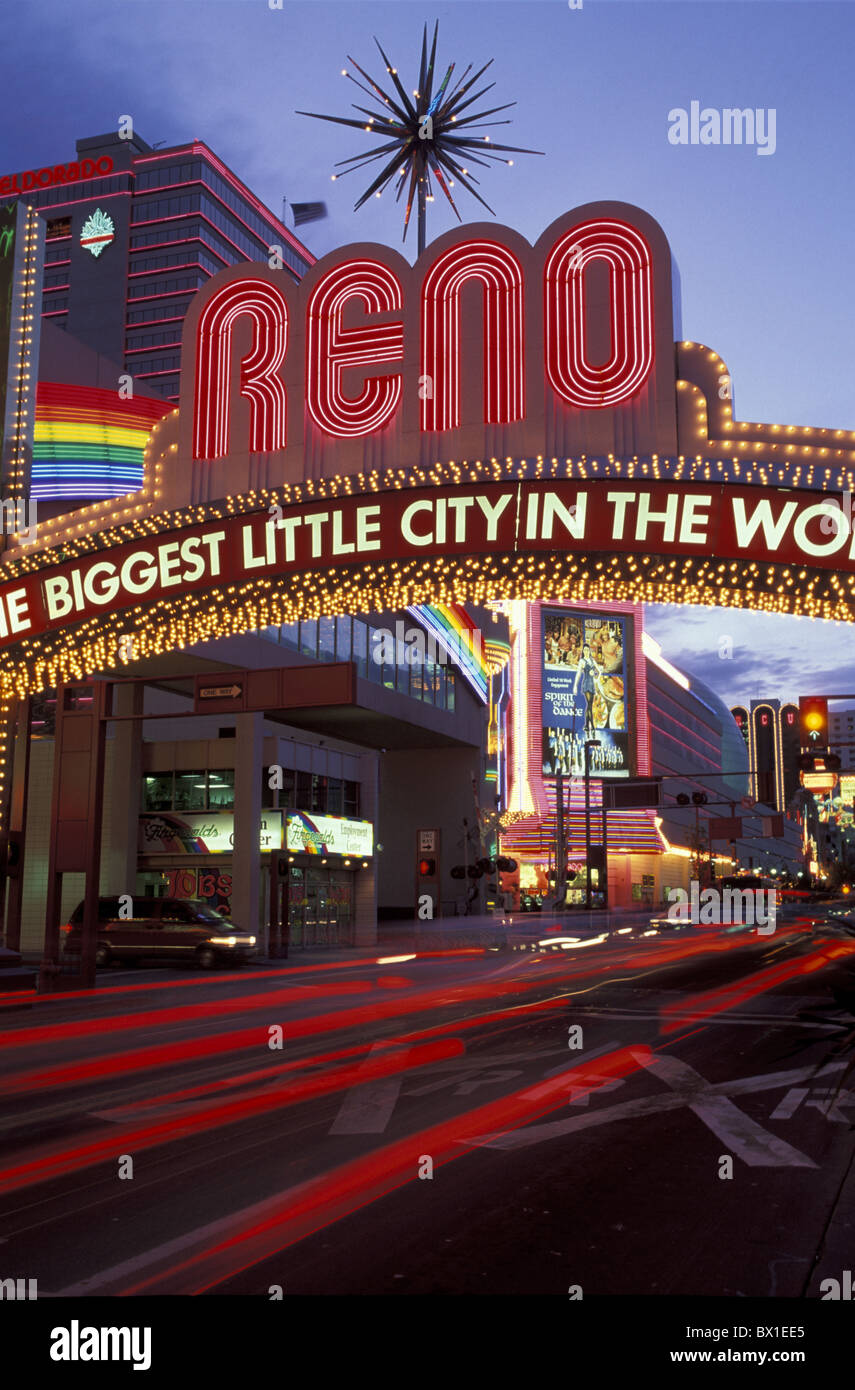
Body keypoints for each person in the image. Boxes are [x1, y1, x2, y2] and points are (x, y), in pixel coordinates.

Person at [573, 643, 603, 740]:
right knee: (589, 704)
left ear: (589, 651)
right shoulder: (582, 661)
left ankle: (587, 726)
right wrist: (575, 686)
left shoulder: (592, 660)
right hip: (586, 684)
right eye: (584, 650)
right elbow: (578, 674)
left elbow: (599, 671)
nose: (586, 651)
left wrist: (595, 676)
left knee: (589, 706)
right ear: (583, 651)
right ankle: (592, 727)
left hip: (592, 684)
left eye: (587, 650)